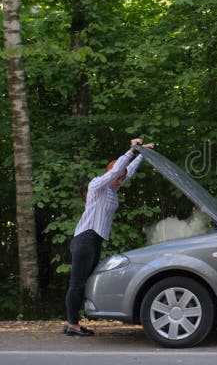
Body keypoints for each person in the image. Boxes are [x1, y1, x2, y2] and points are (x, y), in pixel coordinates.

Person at [64, 138, 155, 336]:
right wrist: (130, 151)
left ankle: (74, 322)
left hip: (95, 240)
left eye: (122, 178)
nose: (121, 180)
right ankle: (72, 324)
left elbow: (126, 173)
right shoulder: (97, 185)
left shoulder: (113, 191)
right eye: (118, 177)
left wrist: (142, 154)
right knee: (77, 282)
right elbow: (117, 171)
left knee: (85, 281)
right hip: (85, 238)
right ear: (109, 173)